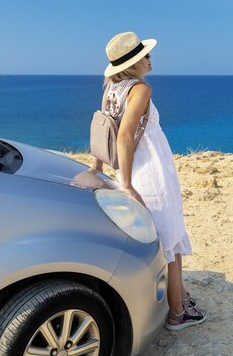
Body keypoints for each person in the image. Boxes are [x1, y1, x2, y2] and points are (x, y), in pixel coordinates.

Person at [89, 31, 207, 330]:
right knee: (170, 240)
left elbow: (105, 130)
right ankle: (178, 313)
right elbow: (125, 134)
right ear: (133, 62)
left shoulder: (110, 89)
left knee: (159, 238)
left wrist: (97, 165)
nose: (150, 57)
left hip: (130, 168)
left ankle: (177, 295)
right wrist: (127, 184)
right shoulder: (141, 90)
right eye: (145, 54)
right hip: (150, 170)